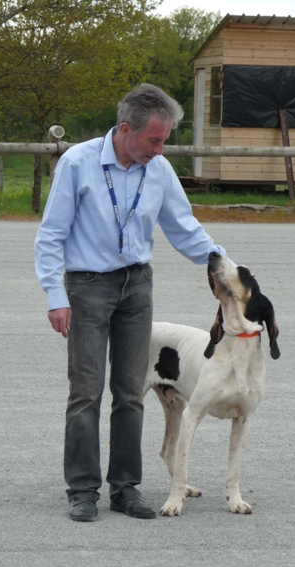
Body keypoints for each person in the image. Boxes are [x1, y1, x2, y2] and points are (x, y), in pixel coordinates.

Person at [35, 83, 232, 522]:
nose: (161, 150)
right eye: (155, 140)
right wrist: (55, 295)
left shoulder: (158, 169)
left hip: (137, 287)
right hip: (87, 287)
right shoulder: (78, 163)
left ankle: (125, 488)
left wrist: (229, 272)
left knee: (130, 393)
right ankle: (82, 490)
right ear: (126, 129)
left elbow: (186, 230)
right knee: (85, 392)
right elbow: (51, 235)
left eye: (165, 141)